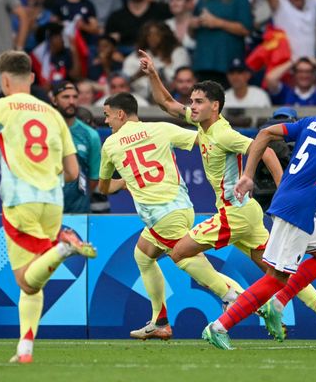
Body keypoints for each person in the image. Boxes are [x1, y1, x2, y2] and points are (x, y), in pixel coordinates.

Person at [140, 49, 316, 340]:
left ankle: (232, 297)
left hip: (233, 214)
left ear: (215, 106)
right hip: (249, 213)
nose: (191, 107)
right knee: (276, 273)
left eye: (198, 102)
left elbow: (266, 149)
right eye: (192, 101)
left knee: (179, 252)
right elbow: (167, 103)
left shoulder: (223, 134)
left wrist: (282, 189)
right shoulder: (200, 123)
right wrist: (154, 74)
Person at [202, 84, 316, 350]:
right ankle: (220, 326)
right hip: (297, 209)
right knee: (274, 278)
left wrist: (248, 174)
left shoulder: (313, 121)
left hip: (291, 203)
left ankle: (279, 302)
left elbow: (264, 133)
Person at [0, 50, 97, 364]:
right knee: (33, 284)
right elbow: (73, 173)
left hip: (20, 199)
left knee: (25, 279)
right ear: (34, 78)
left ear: (5, 80)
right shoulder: (52, 114)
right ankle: (25, 349)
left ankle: (65, 248)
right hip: (53, 202)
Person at [99, 92, 247, 340]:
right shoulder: (161, 128)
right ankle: (160, 321)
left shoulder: (111, 145)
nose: (106, 122)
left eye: (107, 115)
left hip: (161, 214)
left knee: (187, 259)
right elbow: (205, 140)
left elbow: (103, 188)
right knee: (143, 254)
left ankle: (237, 298)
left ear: (120, 114)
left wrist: (125, 182)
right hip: (181, 208)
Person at [50, 80, 101, 213]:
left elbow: (94, 177)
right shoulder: (44, 130)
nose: (71, 101)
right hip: (48, 208)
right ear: (54, 100)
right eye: (66, 97)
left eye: (75, 97)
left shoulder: (90, 135)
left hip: (79, 212)